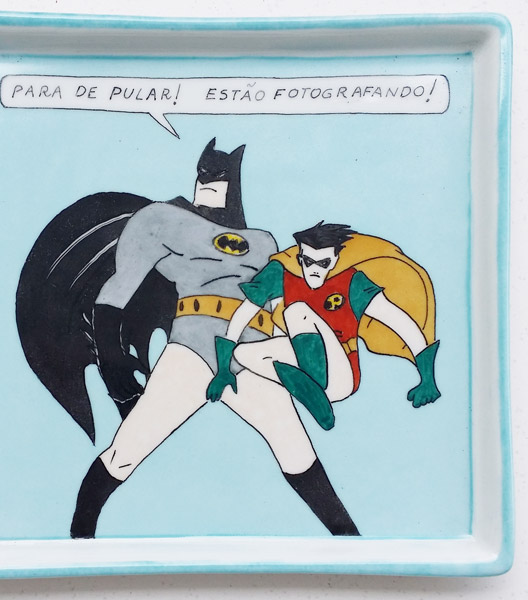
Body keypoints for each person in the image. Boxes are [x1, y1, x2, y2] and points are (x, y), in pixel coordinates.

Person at [70, 151, 359, 539]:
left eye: (220, 172)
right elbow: (117, 291)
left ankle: (349, 541)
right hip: (193, 349)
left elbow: (277, 306)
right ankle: (79, 538)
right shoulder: (162, 219)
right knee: (126, 451)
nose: (209, 176)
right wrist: (113, 366)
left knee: (295, 448)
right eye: (204, 170)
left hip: (251, 352)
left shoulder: (263, 242)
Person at [207, 221, 441, 431]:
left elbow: (399, 321)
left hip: (341, 375)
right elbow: (245, 313)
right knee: (243, 353)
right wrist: (223, 370)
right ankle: (311, 394)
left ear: (335, 260)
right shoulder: (283, 273)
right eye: (308, 262)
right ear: (300, 258)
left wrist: (427, 378)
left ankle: (312, 390)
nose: (314, 269)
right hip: (306, 370)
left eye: (323, 263)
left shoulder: (351, 282)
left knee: (297, 312)